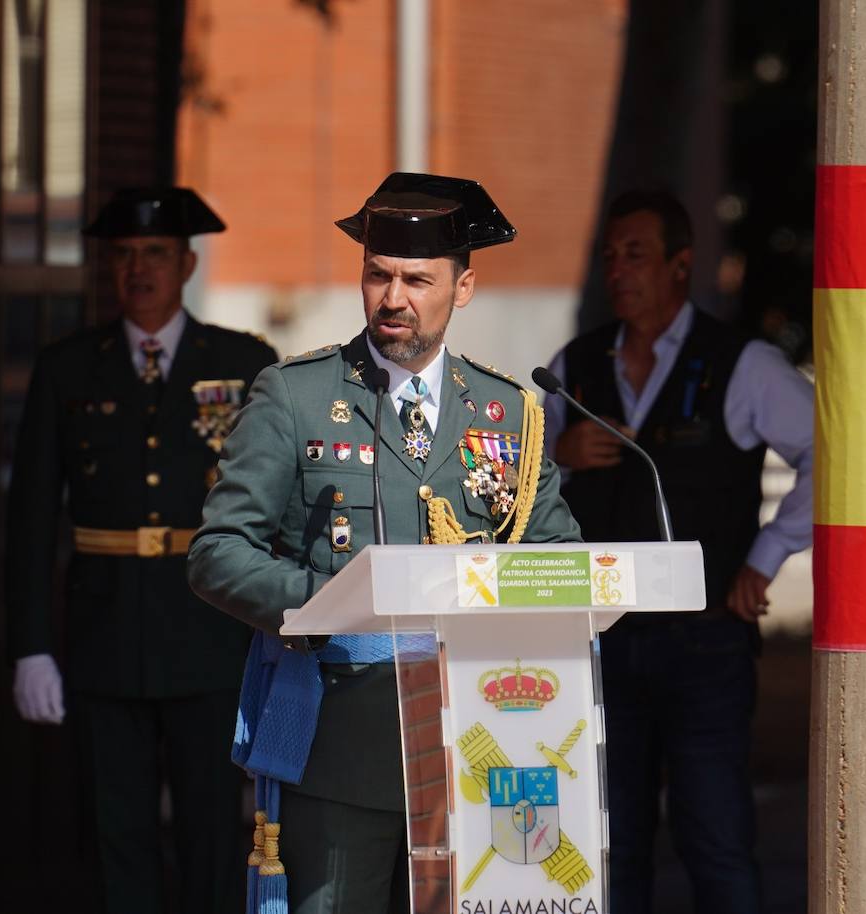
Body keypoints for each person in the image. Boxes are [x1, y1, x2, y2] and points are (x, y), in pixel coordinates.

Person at [187, 172, 582, 914]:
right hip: (345, 744)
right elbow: (218, 552)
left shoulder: (506, 409)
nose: (393, 298)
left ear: (462, 288)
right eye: (378, 275)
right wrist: (331, 603)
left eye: (417, 280)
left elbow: (558, 557)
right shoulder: (296, 395)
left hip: (487, 744)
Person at [5, 187, 278, 914]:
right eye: (123, 255)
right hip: (105, 633)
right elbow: (30, 517)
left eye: (154, 253)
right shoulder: (68, 368)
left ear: (186, 262)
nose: (138, 269)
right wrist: (31, 645)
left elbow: (278, 505)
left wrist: (281, 622)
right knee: (114, 829)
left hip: (210, 631)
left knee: (213, 828)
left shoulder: (245, 362)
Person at [543, 189, 814, 914]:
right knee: (610, 842)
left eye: (636, 255)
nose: (619, 271)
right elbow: (513, 489)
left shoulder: (741, 363)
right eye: (610, 258)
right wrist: (558, 454)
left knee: (714, 838)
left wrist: (768, 556)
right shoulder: (574, 366)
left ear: (681, 265)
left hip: (706, 646)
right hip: (599, 642)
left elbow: (832, 455)